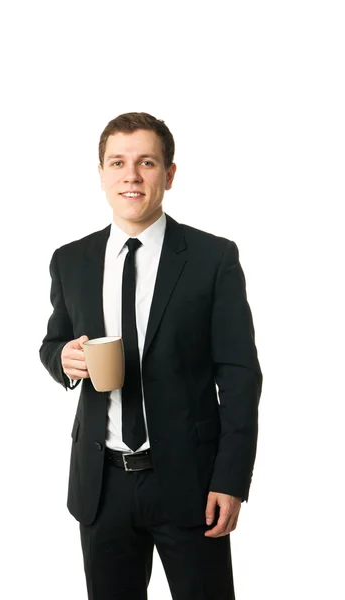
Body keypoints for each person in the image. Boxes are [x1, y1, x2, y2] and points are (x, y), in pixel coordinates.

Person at [39, 112, 262, 600]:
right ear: (101, 173)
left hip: (191, 482)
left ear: (169, 174)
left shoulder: (212, 258)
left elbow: (241, 375)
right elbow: (54, 341)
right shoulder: (70, 259)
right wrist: (64, 360)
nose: (131, 175)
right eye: (118, 162)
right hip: (102, 483)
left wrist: (232, 478)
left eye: (146, 162)